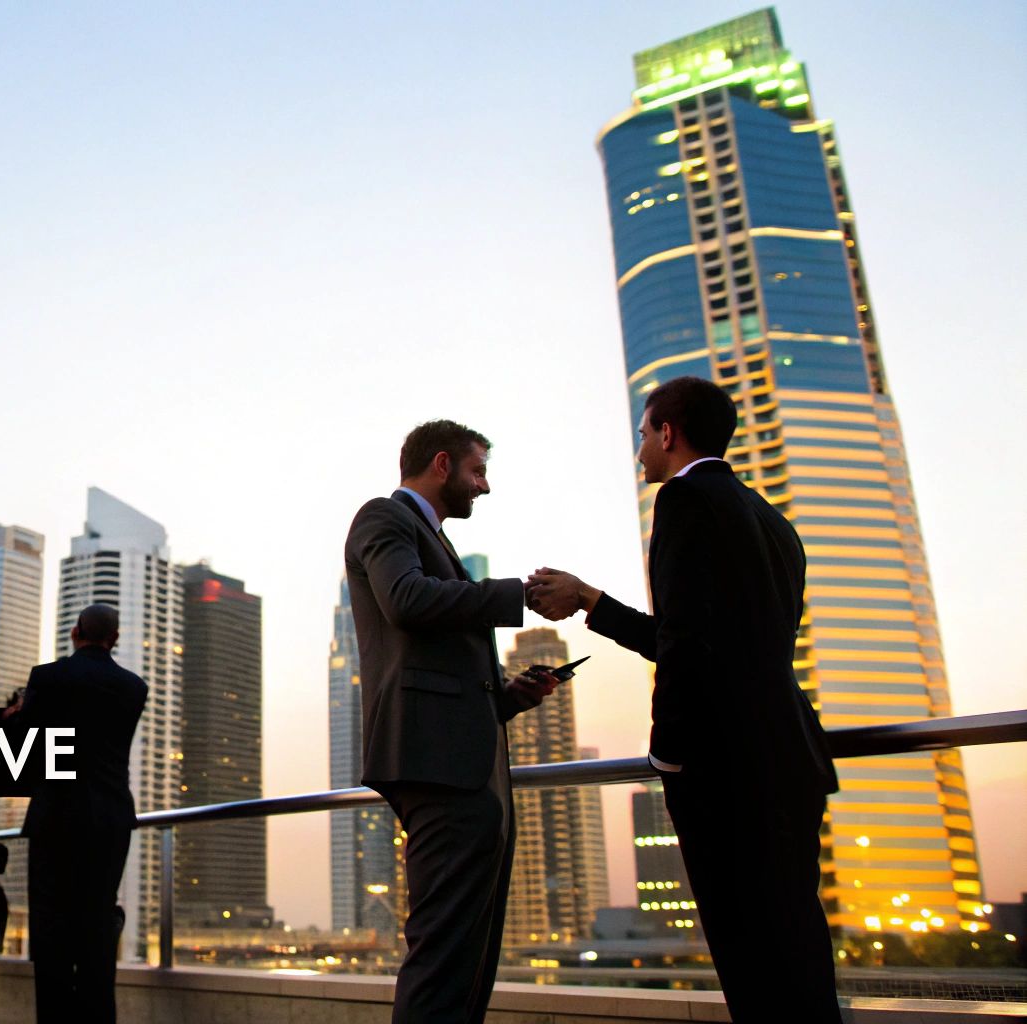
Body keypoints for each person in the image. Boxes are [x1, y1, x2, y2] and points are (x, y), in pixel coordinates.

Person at [524, 376, 840, 1021]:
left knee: (749, 959)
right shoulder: (770, 518)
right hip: (791, 759)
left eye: (644, 434)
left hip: (726, 773)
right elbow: (722, 641)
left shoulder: (684, 501)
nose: (640, 447)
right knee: (799, 951)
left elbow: (689, 648)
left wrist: (667, 756)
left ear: (669, 434)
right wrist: (590, 599)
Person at [343, 420, 561, 1023]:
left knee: (469, 955)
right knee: (444, 956)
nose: (483, 487)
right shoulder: (383, 517)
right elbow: (407, 601)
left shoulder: (432, 538)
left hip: (460, 763)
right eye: (477, 472)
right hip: (437, 768)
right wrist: (517, 594)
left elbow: (437, 661)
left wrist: (510, 697)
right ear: (442, 465)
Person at [5, 603, 146, 1024]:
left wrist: (14, 718)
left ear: (75, 631)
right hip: (109, 820)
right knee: (97, 928)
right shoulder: (133, 687)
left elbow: (24, 747)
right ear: (114, 638)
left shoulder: (47, 678)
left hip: (56, 817)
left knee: (50, 933)